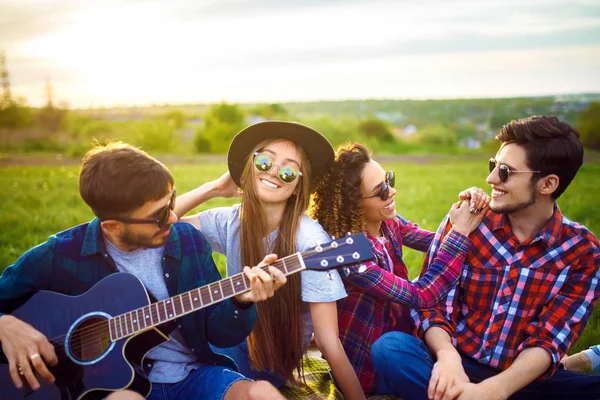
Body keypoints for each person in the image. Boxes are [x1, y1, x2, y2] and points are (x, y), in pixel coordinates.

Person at [0, 142, 288, 400]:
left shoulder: (188, 242)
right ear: (112, 226)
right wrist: (6, 325)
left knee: (260, 392)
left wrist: (240, 301)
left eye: (171, 201)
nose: (174, 217)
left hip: (191, 375)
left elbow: (221, 335)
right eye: (159, 216)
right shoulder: (62, 253)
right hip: (114, 388)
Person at [372, 116, 600, 400]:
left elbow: (550, 340)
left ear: (548, 184)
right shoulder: (468, 219)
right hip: (456, 362)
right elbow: (432, 305)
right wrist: (447, 357)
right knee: (390, 349)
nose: (491, 179)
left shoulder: (583, 251)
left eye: (505, 171)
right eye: (493, 166)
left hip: (522, 378)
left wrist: (496, 389)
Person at [175, 121, 365, 399]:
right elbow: (164, 227)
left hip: (269, 359)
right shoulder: (232, 221)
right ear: (250, 166)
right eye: (264, 161)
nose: (275, 172)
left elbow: (328, 341)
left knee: (185, 361)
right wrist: (213, 188)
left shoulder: (309, 240)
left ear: (299, 185)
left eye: (288, 170)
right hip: (227, 337)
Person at [310, 142, 489, 394]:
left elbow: (436, 243)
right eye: (381, 190)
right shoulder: (348, 255)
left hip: (405, 337)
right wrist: (459, 232)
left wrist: (467, 209)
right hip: (372, 366)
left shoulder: (388, 223)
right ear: (353, 204)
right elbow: (422, 295)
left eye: (389, 180)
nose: (392, 191)